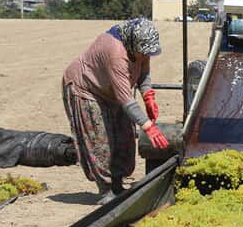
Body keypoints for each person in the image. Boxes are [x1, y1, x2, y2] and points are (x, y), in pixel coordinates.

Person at [62, 18, 169, 205]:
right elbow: (126, 100)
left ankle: (118, 185)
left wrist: (148, 95)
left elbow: (143, 73)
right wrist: (147, 126)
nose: (145, 56)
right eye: (142, 53)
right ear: (131, 44)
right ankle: (105, 190)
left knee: (124, 135)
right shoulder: (116, 53)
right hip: (87, 90)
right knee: (100, 140)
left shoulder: (140, 46)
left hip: (110, 91)